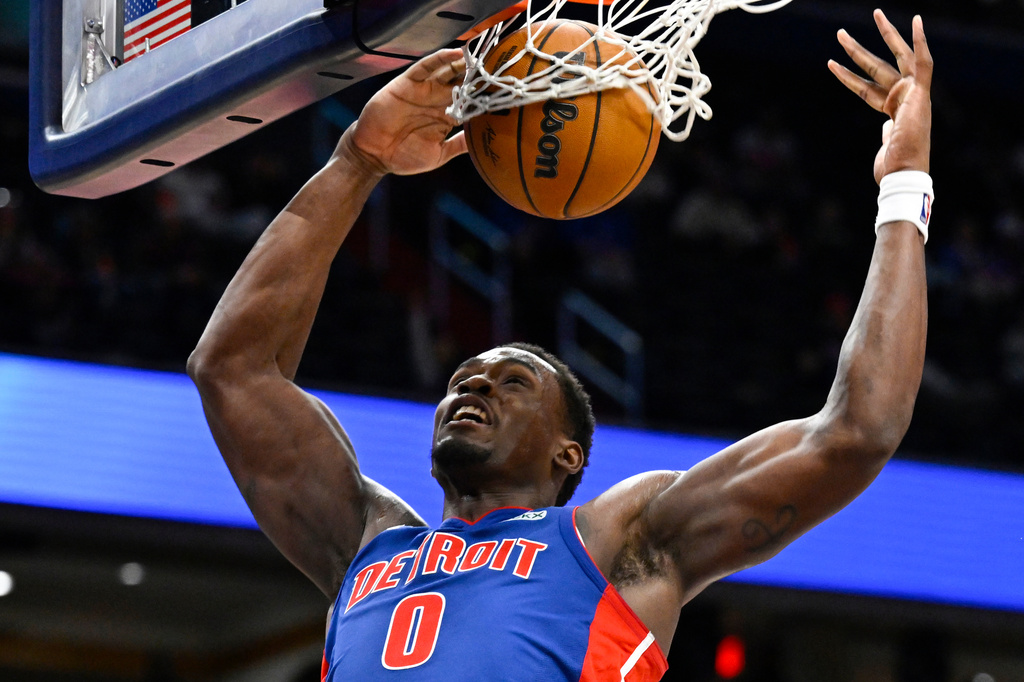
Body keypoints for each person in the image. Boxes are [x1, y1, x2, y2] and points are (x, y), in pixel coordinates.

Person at [187, 10, 933, 681]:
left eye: (513, 383)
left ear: (568, 455)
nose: (473, 387)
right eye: (464, 379)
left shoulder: (623, 541)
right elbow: (230, 370)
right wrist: (359, 160)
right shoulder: (366, 542)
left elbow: (856, 432)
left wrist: (904, 187)